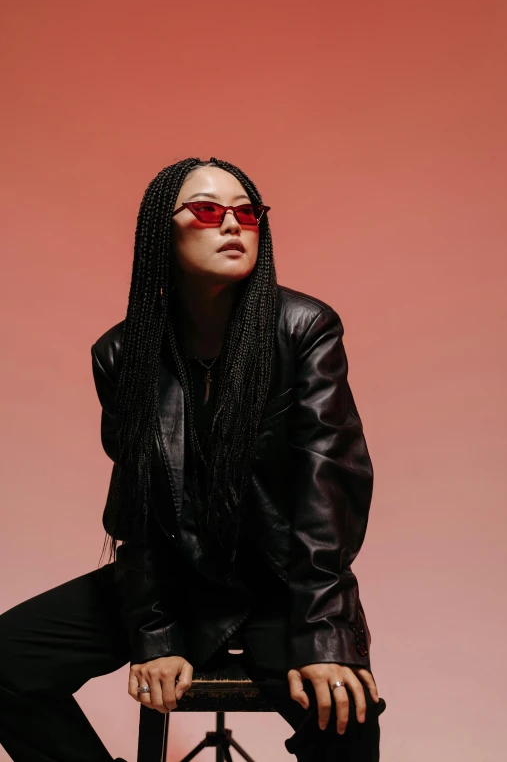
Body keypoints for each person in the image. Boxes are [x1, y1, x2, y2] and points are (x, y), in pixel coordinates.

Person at [0, 156, 386, 761]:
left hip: (281, 583)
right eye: (207, 211)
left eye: (247, 212)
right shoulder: (122, 354)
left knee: (345, 713)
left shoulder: (304, 327)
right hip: (173, 578)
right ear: (162, 231)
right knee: (5, 661)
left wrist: (323, 632)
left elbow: (327, 490)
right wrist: (154, 634)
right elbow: (140, 510)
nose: (232, 225)